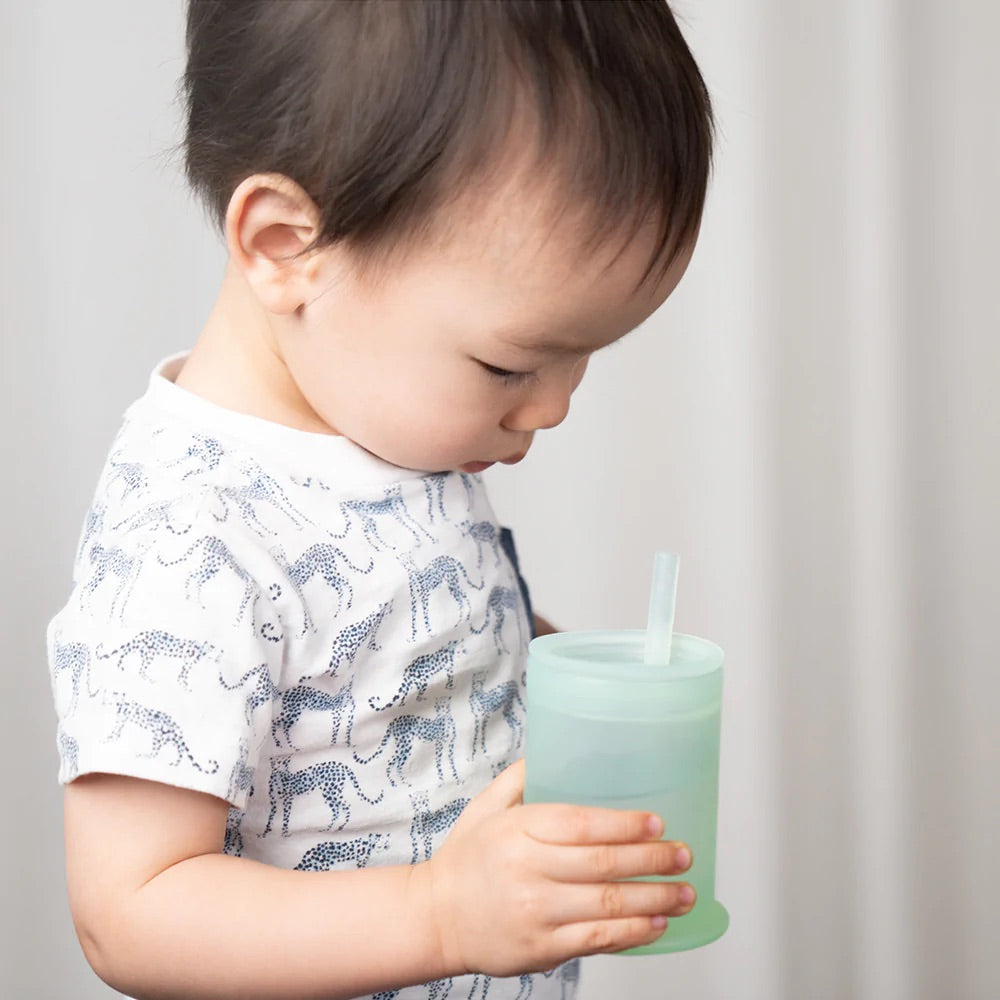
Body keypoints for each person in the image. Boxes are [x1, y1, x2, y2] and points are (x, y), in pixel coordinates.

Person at [47, 2, 715, 997]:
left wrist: (556, 675)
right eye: (508, 362)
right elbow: (129, 910)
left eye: (584, 357)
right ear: (284, 246)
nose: (556, 404)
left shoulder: (385, 441)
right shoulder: (197, 534)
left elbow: (395, 651)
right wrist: (444, 911)